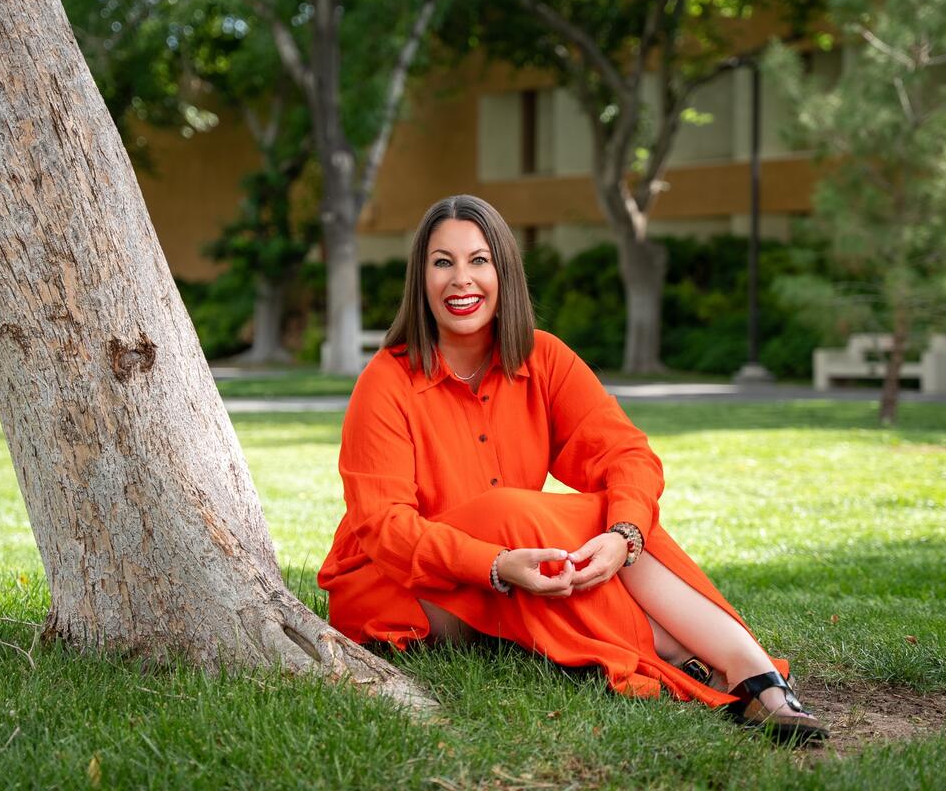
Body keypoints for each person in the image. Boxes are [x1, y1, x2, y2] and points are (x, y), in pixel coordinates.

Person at [317, 194, 828, 745]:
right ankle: (708, 662)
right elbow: (384, 529)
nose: (460, 280)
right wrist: (495, 563)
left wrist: (623, 537)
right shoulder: (387, 381)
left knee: (607, 511)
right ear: (420, 279)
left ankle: (754, 677)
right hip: (401, 588)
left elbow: (627, 456)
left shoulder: (544, 359)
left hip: (513, 566)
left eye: (478, 260)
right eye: (442, 262)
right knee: (512, 509)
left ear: (504, 272)